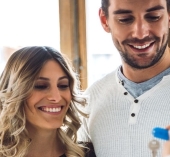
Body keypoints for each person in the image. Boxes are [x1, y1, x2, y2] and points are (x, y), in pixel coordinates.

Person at [80, 0, 170, 156]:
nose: (140, 33)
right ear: (104, 20)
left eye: (154, 17)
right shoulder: (91, 100)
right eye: (125, 19)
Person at [0, 46, 96, 157]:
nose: (56, 97)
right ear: (14, 92)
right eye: (40, 86)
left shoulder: (86, 154)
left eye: (63, 85)